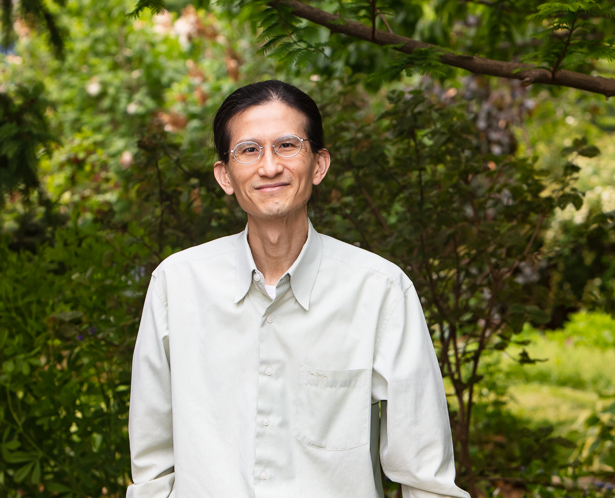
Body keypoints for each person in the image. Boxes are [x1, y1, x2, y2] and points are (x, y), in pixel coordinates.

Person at [127, 80, 470, 498]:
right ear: (225, 175)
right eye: (249, 150)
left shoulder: (380, 290)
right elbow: (151, 470)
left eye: (287, 145)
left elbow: (424, 477)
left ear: (319, 164)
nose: (269, 167)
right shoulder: (177, 284)